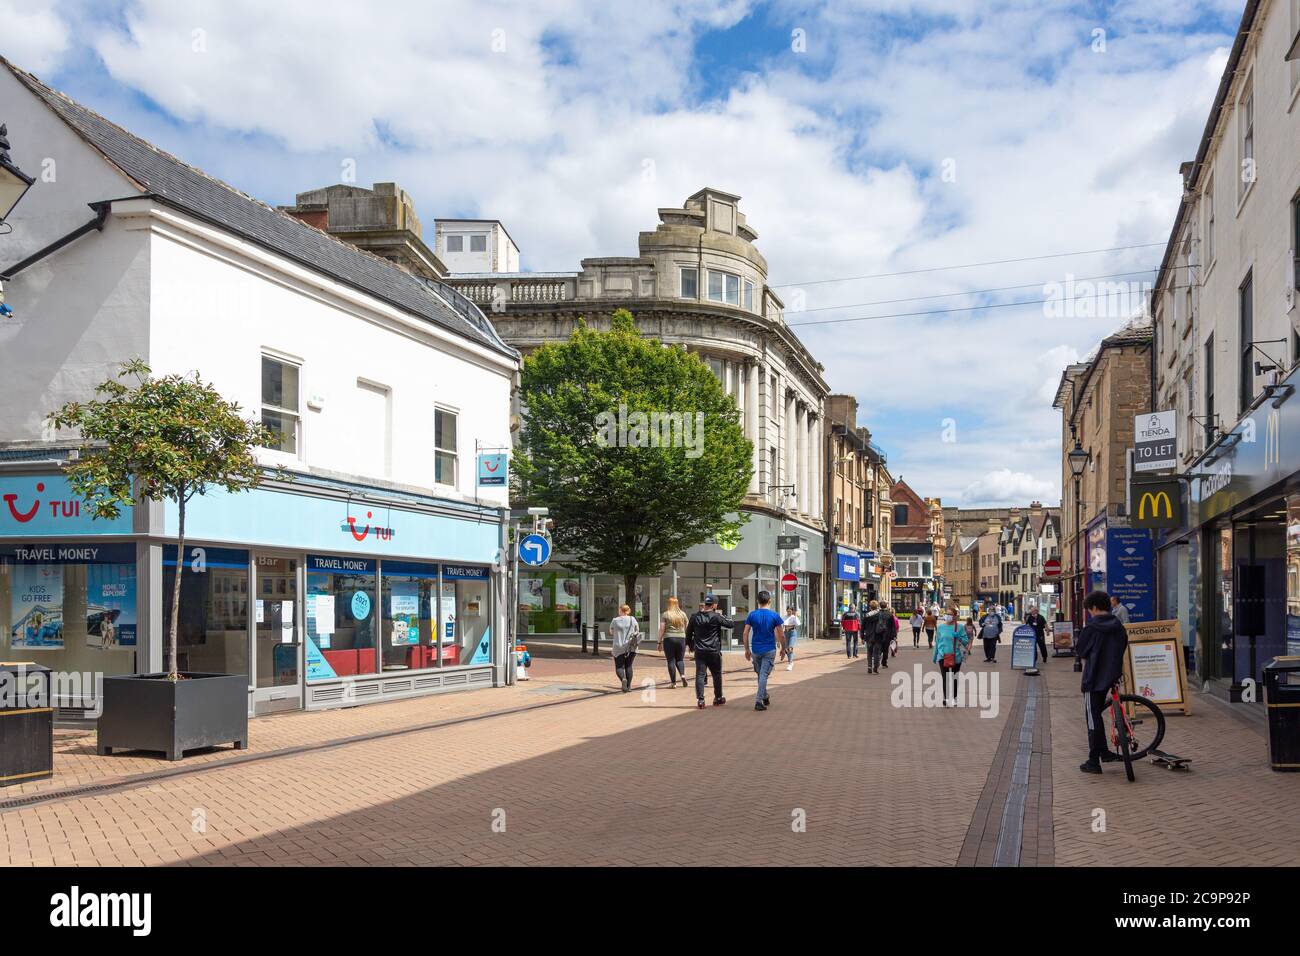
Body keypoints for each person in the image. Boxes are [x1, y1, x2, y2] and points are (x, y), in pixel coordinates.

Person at [1077, 590, 1130, 774]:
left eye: (1089, 610)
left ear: (1093, 608)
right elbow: (1124, 644)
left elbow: (1081, 650)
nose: (1090, 614)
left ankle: (1093, 761)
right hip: (1113, 675)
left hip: (1093, 678)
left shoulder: (1091, 627)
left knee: (1093, 718)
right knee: (1098, 714)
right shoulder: (1118, 625)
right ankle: (1105, 752)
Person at [686, 594, 735, 709]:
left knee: (700, 675)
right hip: (713, 651)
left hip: (700, 651)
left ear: (705, 604)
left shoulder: (694, 617)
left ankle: (701, 700)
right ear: (714, 605)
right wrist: (721, 615)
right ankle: (718, 698)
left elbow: (688, 634)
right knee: (716, 674)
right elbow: (731, 624)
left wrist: (690, 645)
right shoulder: (716, 617)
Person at [743, 590, 785, 711]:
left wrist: (747, 649)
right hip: (769, 649)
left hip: (756, 649)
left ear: (757, 601)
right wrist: (783, 648)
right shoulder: (774, 615)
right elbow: (781, 635)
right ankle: (758, 700)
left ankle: (765, 696)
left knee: (761, 674)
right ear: (770, 601)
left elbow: (745, 633)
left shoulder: (752, 615)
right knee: (763, 674)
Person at [933, 603, 970, 707]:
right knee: (945, 678)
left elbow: (966, 642)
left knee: (954, 678)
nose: (947, 616)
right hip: (942, 656)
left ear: (954, 616)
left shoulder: (960, 627)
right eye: (946, 614)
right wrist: (935, 655)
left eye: (950, 614)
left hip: (956, 656)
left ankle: (954, 698)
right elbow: (937, 642)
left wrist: (958, 637)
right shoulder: (940, 628)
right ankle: (945, 698)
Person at [609, 604, 641, 693]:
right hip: (631, 646)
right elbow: (637, 630)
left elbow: (611, 632)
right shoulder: (632, 619)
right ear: (628, 611)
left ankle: (623, 678)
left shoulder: (615, 620)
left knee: (619, 666)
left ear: (620, 610)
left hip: (618, 646)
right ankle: (629, 686)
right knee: (629, 666)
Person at [659, 596, 690, 688]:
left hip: (669, 638)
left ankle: (673, 683)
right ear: (677, 604)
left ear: (669, 604)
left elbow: (662, 629)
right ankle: (683, 675)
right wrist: (686, 638)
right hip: (681, 638)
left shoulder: (665, 614)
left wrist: (659, 642)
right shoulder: (683, 614)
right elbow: (687, 627)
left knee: (671, 660)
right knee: (680, 659)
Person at [863, 600, 886, 674]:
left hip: (869, 636)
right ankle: (875, 667)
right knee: (877, 653)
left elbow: (862, 627)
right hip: (878, 636)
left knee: (869, 652)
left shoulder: (867, 615)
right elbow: (884, 626)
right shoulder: (880, 615)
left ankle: (869, 666)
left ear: (870, 607)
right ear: (877, 606)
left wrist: (862, 637)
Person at [781, 605, 800, 671]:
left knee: (790, 648)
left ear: (792, 611)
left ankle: (790, 663)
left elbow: (798, 624)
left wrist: (795, 616)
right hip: (786, 633)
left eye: (790, 611)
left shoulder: (793, 617)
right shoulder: (784, 617)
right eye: (788, 611)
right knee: (786, 649)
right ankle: (790, 660)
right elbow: (782, 626)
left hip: (792, 633)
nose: (789, 612)